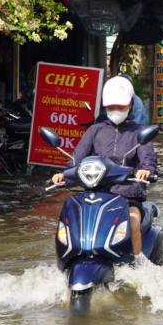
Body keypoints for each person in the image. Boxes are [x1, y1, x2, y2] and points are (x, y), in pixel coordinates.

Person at [50, 76, 156, 261]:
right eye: (111, 107)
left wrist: (146, 170)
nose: (115, 111)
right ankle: (66, 263)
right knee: (69, 220)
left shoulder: (139, 132)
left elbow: (148, 160)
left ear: (130, 105)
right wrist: (63, 174)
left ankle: (139, 268)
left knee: (132, 222)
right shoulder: (95, 130)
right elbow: (77, 158)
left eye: (120, 107)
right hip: (96, 193)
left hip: (128, 195)